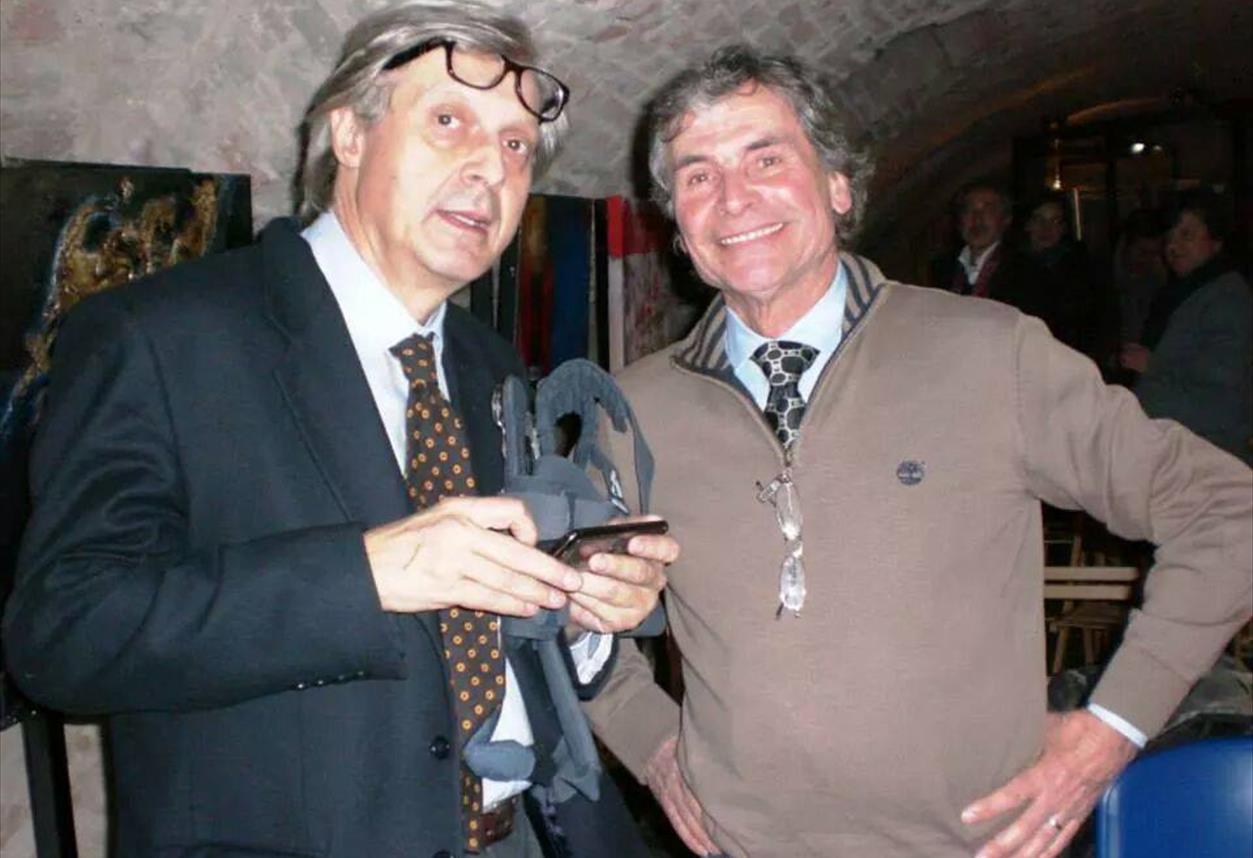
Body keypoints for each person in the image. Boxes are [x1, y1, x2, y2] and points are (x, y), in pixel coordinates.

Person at [3, 3, 678, 857]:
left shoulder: (489, 362)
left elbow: (480, 637)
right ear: (348, 134)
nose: (491, 166)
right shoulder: (160, 336)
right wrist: (363, 576)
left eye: (516, 144)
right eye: (448, 122)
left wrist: (574, 612)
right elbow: (63, 636)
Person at [583, 46, 1253, 858]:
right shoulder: (633, 408)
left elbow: (1225, 513)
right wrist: (651, 743)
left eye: (766, 158)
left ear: (838, 186)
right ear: (677, 227)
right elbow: (564, 608)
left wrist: (1111, 728)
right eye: (698, 175)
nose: (733, 198)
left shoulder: (990, 353)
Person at [1120, 191, 1253, 464]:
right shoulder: (1184, 292)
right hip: (1182, 448)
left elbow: (1225, 382)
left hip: (1208, 452)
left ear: (1215, 241)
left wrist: (1153, 364)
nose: (1174, 246)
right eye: (1169, 236)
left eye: (1187, 235)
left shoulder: (1225, 296)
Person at [1022, 191, 1115, 367]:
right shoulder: (1010, 268)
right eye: (1039, 220)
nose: (1046, 229)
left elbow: (1101, 320)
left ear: (1064, 228)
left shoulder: (1086, 269)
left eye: (1055, 221)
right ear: (1027, 224)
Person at [930, 181, 1046, 318]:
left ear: (1006, 219)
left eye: (988, 210)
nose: (977, 219)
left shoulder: (1027, 273)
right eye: (969, 210)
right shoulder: (940, 268)